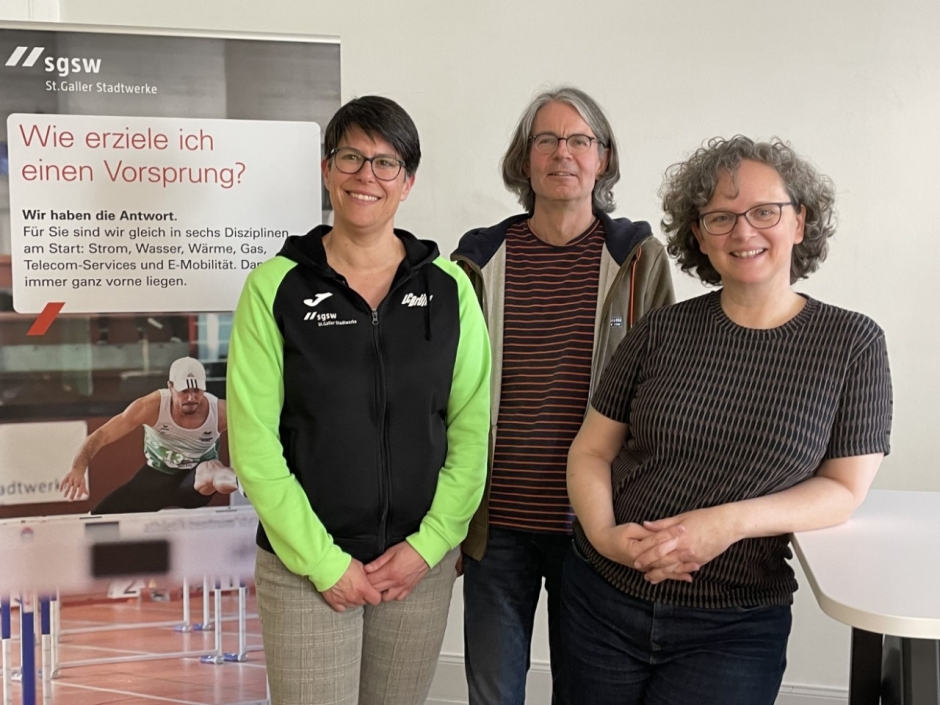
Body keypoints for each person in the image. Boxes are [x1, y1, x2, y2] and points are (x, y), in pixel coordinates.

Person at [563, 136, 893, 705]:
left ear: (800, 222)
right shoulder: (661, 330)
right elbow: (590, 451)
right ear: (700, 236)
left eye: (765, 211)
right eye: (720, 217)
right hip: (603, 597)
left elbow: (843, 489)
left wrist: (727, 523)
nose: (743, 232)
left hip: (734, 620)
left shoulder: (852, 343)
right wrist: (605, 537)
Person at [226, 95, 490, 705]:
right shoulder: (274, 287)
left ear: (408, 182)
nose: (366, 176)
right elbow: (255, 444)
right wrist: (324, 562)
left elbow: (471, 430)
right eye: (351, 157)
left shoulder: (450, 288)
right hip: (304, 569)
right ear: (327, 170)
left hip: (415, 567)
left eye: (385, 162)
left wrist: (427, 547)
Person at [451, 86, 674, 705]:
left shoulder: (636, 257)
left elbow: (661, 385)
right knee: (492, 692)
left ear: (603, 158)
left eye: (580, 140)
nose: (562, 153)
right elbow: (443, 392)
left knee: (589, 692)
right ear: (524, 159)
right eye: (545, 140)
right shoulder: (477, 259)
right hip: (496, 525)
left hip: (594, 524)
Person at [59, 356, 237, 513]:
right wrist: (78, 468)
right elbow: (102, 435)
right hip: (157, 477)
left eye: (197, 391)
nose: (191, 398)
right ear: (170, 387)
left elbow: (259, 430)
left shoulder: (221, 412)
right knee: (99, 515)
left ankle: (242, 483)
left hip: (195, 484)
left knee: (212, 468)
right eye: (184, 391)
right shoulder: (149, 407)